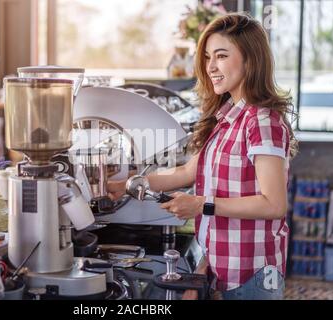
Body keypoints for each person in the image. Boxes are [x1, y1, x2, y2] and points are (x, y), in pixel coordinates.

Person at [108, 12, 297, 300]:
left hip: (253, 270)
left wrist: (200, 205)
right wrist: (127, 185)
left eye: (221, 56)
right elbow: (187, 173)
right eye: (208, 57)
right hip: (224, 263)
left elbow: (273, 205)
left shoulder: (262, 121)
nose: (210, 67)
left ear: (250, 58)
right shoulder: (226, 118)